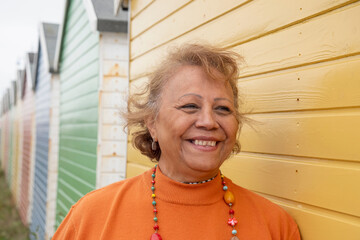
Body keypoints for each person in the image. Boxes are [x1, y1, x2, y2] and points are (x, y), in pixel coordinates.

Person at [52, 44, 301, 240]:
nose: (208, 121)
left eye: (223, 109)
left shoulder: (275, 226)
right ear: (152, 123)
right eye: (190, 106)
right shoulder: (93, 215)